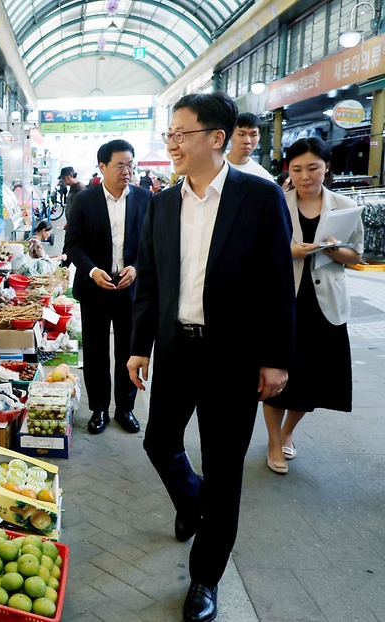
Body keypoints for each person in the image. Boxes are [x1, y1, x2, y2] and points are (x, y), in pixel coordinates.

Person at [127, 92, 295, 622]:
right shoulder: (163, 202)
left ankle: (205, 578)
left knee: (225, 471)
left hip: (233, 359)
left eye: (181, 134)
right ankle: (191, 498)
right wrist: (138, 347)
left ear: (216, 138)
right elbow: (151, 282)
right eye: (169, 135)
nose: (171, 144)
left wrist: (276, 358)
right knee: (158, 441)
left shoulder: (258, 198)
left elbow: (276, 284)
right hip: (176, 351)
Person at [262, 138, 363, 474]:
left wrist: (335, 250)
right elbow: (259, 250)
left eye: (313, 168)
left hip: (324, 307)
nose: (305, 176)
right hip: (283, 302)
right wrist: (290, 251)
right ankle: (274, 442)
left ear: (326, 167)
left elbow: (356, 255)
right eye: (297, 168)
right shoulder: (276, 201)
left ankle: (288, 432)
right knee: (275, 376)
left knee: (311, 380)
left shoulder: (344, 204)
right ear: (288, 169)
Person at [64, 140, 150, 435]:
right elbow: (72, 245)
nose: (127, 171)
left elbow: (151, 245)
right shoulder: (85, 200)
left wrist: (136, 267)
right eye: (121, 165)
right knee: (97, 352)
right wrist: (92, 270)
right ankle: (99, 409)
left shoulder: (144, 199)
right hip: (95, 287)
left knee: (129, 350)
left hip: (130, 289)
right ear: (102, 167)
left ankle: (125, 408)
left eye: (131, 164)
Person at [225, 112, 274, 181]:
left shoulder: (263, 177)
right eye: (241, 134)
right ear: (230, 135)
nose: (247, 141)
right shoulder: (214, 166)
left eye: (253, 135)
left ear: (259, 137)